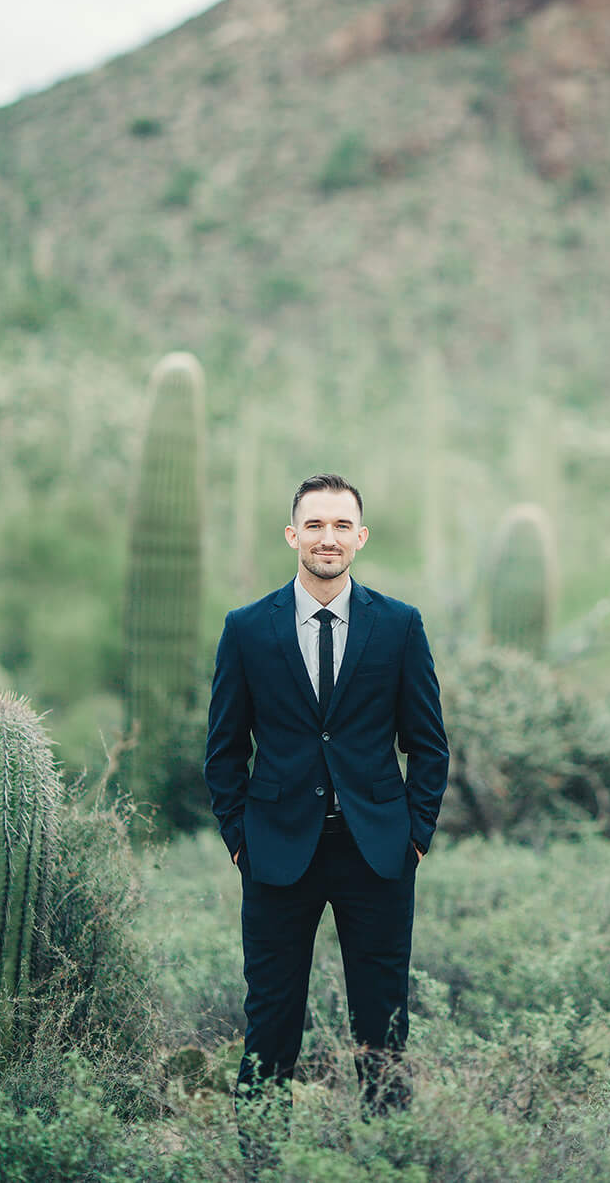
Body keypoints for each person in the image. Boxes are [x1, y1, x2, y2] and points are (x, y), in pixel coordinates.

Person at [204, 473, 446, 1118]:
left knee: (383, 1023)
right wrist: (239, 843)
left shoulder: (398, 626)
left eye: (341, 525)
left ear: (361, 537)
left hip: (378, 854)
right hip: (278, 853)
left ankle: (388, 1154)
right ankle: (259, 1156)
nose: (328, 538)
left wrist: (415, 837)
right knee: (272, 1019)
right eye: (315, 525)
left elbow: (428, 744)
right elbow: (224, 751)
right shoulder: (248, 628)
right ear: (292, 535)